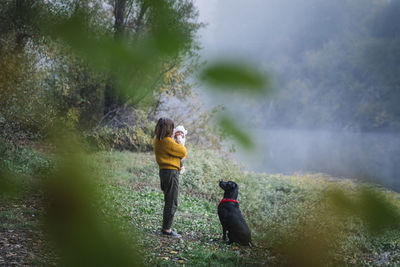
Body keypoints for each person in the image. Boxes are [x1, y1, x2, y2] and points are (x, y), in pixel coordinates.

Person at [153, 118, 187, 238]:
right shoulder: (167, 141)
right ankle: (166, 229)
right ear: (168, 129)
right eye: (172, 128)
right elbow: (183, 152)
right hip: (171, 173)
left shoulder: (157, 140)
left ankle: (165, 227)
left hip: (164, 172)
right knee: (172, 201)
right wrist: (179, 139)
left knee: (169, 200)